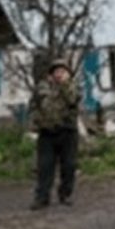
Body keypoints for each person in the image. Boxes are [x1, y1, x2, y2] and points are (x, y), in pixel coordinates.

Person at [29, 59, 81, 210]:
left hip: (67, 131)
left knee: (69, 166)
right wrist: (34, 122)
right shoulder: (42, 88)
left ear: (68, 73)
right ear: (51, 74)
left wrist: (64, 85)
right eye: (56, 71)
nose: (59, 74)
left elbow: (72, 100)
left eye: (62, 71)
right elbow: (34, 105)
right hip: (47, 132)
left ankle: (65, 194)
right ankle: (42, 198)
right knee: (44, 167)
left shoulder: (73, 87)